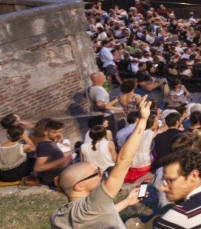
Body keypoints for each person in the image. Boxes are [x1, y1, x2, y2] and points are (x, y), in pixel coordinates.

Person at [51, 98, 153, 228]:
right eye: (96, 173)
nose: (100, 174)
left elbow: (98, 215)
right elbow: (123, 161)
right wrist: (143, 120)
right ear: (79, 186)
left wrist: (127, 202)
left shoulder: (57, 216)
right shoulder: (92, 205)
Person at [34, 119, 70, 187]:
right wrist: (62, 159)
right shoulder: (45, 146)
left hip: (56, 176)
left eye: (60, 132)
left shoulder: (50, 143)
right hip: (51, 180)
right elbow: (38, 168)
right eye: (55, 132)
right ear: (46, 132)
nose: (58, 134)